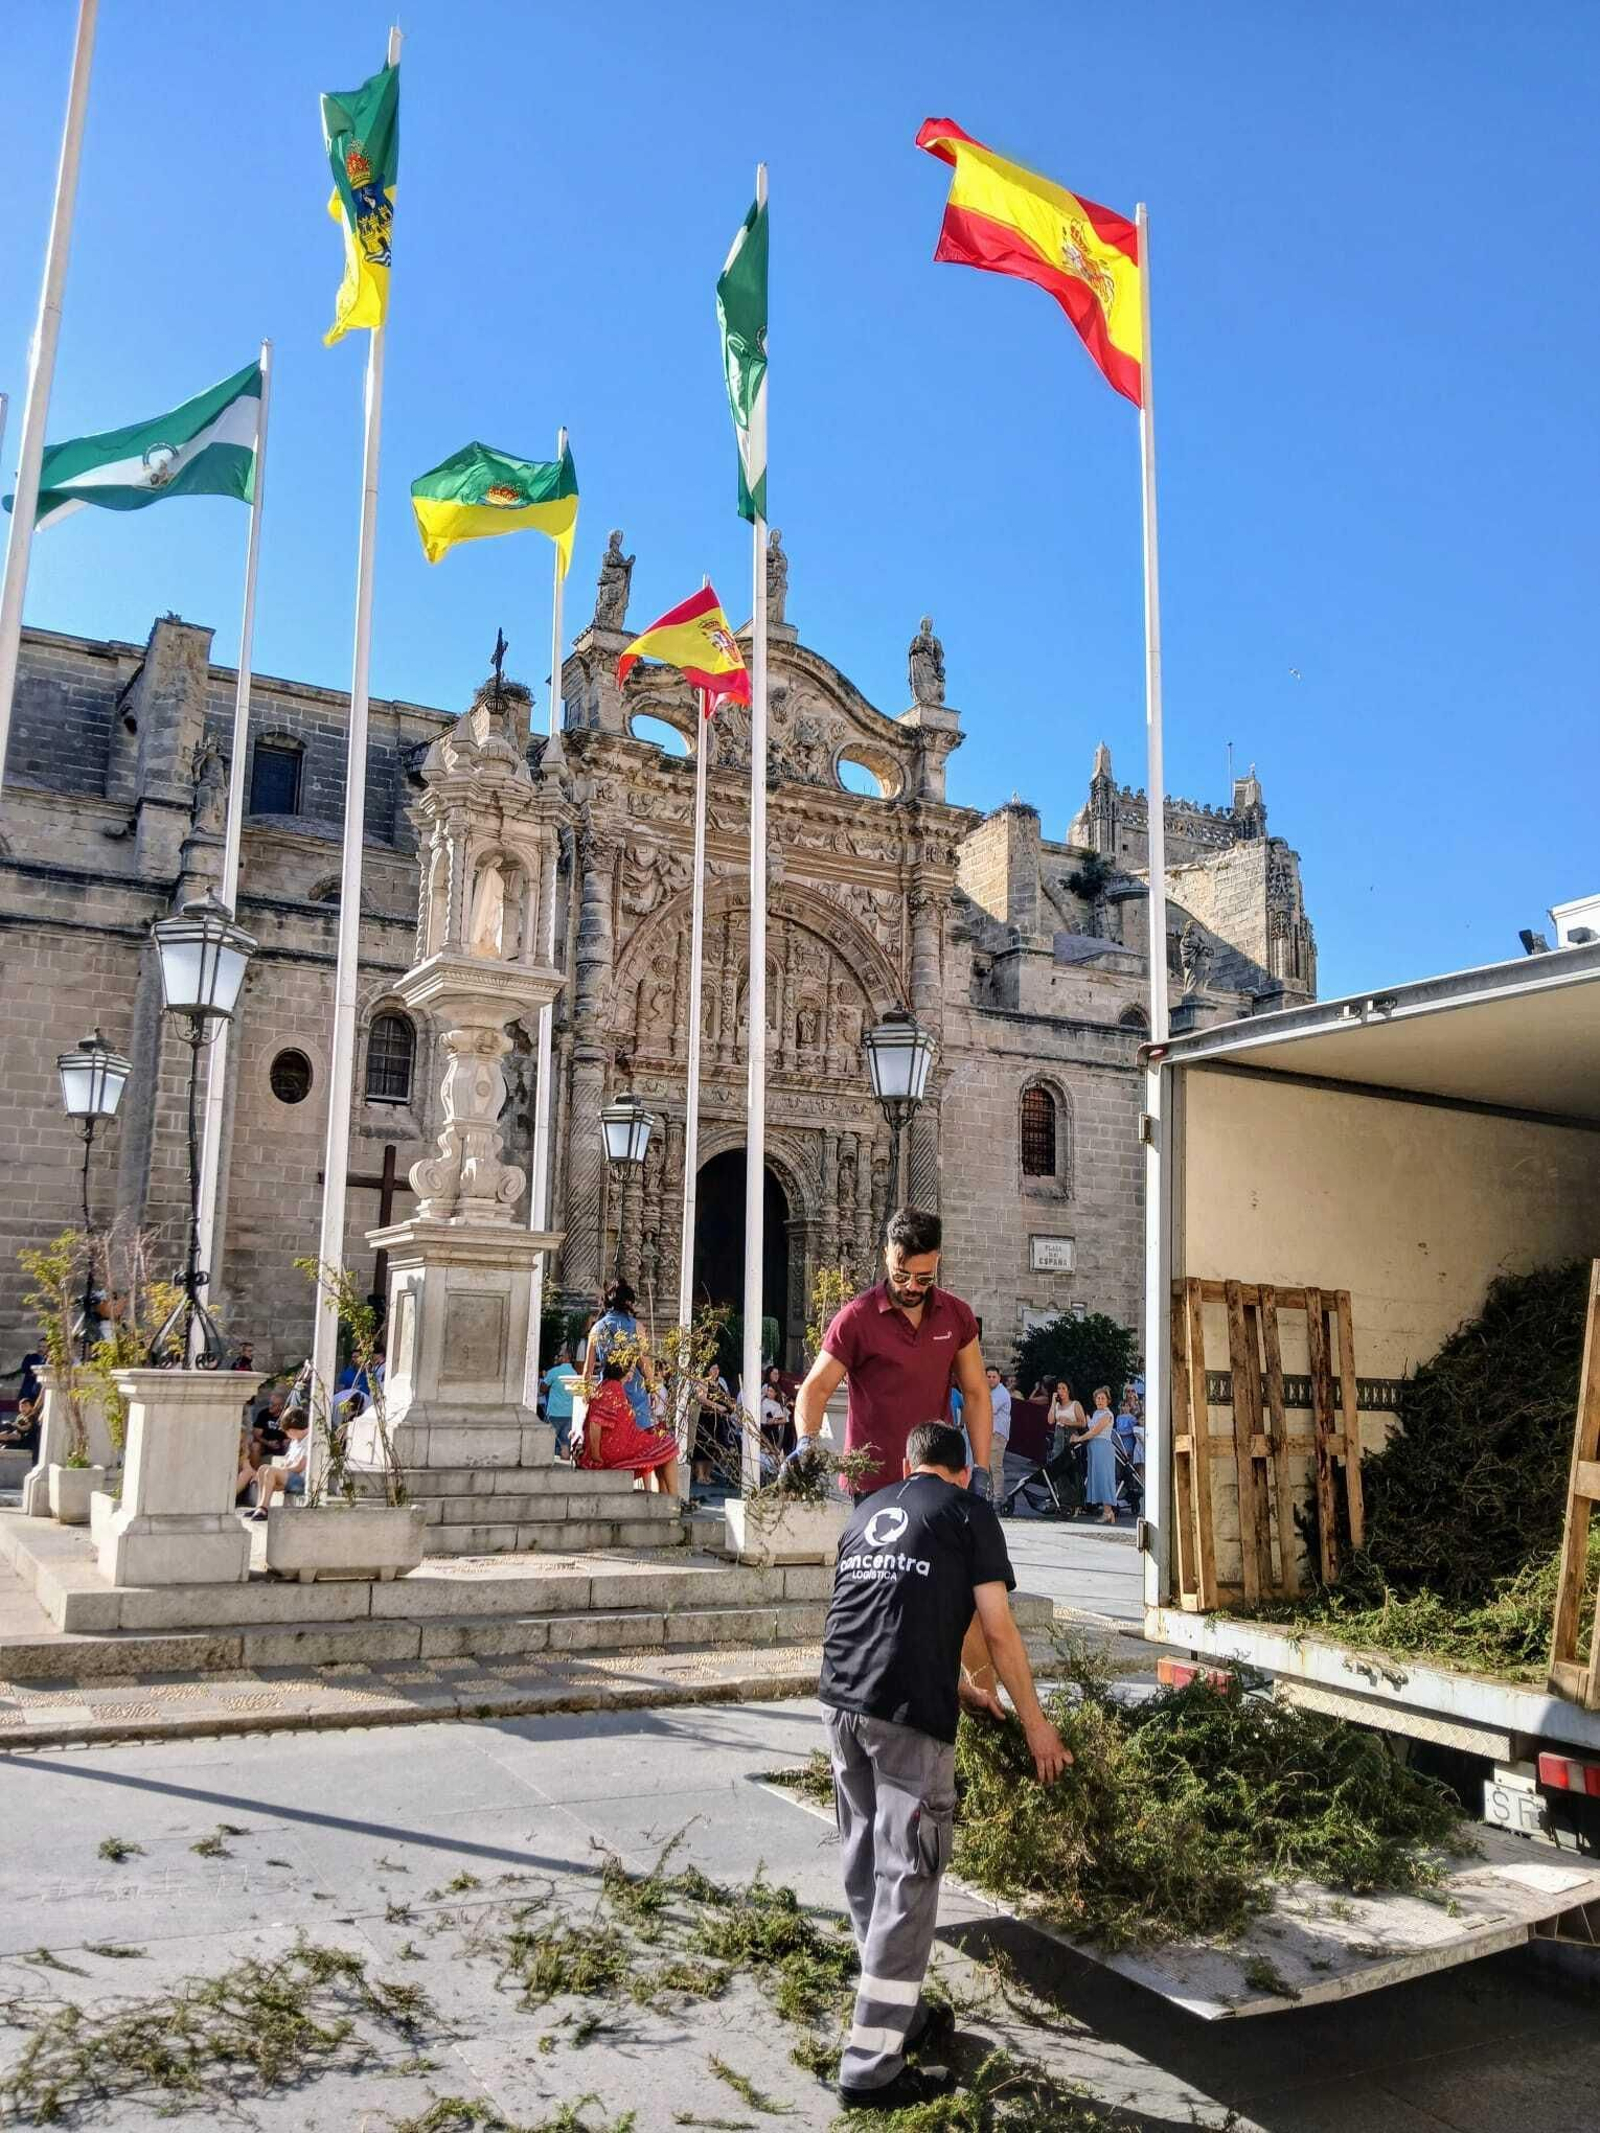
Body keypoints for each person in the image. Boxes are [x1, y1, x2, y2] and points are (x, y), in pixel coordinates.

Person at [819, 1420, 1070, 2111]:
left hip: (841, 1699)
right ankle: (871, 2066)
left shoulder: (868, 1509)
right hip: (904, 1720)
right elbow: (997, 1626)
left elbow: (877, 1609)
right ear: (962, 1471)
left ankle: (896, 2006)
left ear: (909, 1462)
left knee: (865, 1860)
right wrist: (1036, 1724)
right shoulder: (969, 1512)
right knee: (909, 1875)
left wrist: (956, 1684)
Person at [792, 1208, 993, 1500]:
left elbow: (975, 1392)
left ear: (937, 1259)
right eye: (901, 1275)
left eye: (924, 1278)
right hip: (873, 1482)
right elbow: (816, 1387)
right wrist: (806, 1444)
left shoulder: (956, 1315)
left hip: (936, 1478)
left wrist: (982, 1469)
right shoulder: (856, 1318)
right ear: (886, 1254)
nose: (911, 1286)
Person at [577, 1358, 680, 1494]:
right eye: (631, 1370)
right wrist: (596, 1456)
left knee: (662, 1449)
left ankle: (666, 1497)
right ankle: (674, 1498)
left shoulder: (606, 1385)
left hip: (618, 1444)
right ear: (622, 1370)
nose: (632, 1374)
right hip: (615, 1449)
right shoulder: (613, 1388)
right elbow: (596, 1423)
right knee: (668, 1446)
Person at [583, 1279, 654, 1432]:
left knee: (609, 1437)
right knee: (638, 1440)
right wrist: (653, 1387)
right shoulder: (637, 1327)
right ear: (628, 1302)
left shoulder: (596, 1328)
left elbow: (587, 1369)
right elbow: (646, 1364)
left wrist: (586, 1394)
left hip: (608, 1391)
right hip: (634, 1393)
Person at [251, 1408, 310, 1517]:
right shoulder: (295, 1441)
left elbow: (299, 1466)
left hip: (301, 1481)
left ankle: (264, 1508)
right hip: (290, 1475)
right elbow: (287, 1461)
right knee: (263, 1468)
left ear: (292, 1430)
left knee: (270, 1471)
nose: (287, 1435)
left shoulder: (309, 1440)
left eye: (287, 1432)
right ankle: (259, 1506)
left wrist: (281, 1470)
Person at [1073, 1387, 1118, 1523]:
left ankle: (1108, 1512)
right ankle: (1106, 1511)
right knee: (1097, 1478)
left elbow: (1094, 1432)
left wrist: (1078, 1439)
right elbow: (1090, 1426)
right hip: (1095, 1448)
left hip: (1103, 1448)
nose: (1100, 1400)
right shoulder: (1097, 1413)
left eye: (1103, 1398)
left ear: (1108, 1400)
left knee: (1105, 1478)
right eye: (1098, 1398)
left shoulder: (1107, 1415)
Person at [541, 1344, 581, 1459]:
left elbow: (542, 1389)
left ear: (565, 1357)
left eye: (559, 1355)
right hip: (569, 1414)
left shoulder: (554, 1371)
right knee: (565, 1444)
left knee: (547, 1444)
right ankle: (565, 1467)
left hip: (554, 1413)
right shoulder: (574, 1373)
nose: (557, 1358)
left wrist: (545, 1378)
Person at [985, 1366, 1012, 1504]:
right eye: (988, 1377)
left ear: (999, 1378)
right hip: (990, 1433)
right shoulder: (991, 1391)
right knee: (989, 1467)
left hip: (997, 1434)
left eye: (993, 1377)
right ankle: (990, 1495)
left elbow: (989, 1409)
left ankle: (998, 1497)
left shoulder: (1001, 1393)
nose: (990, 1379)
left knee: (995, 1466)